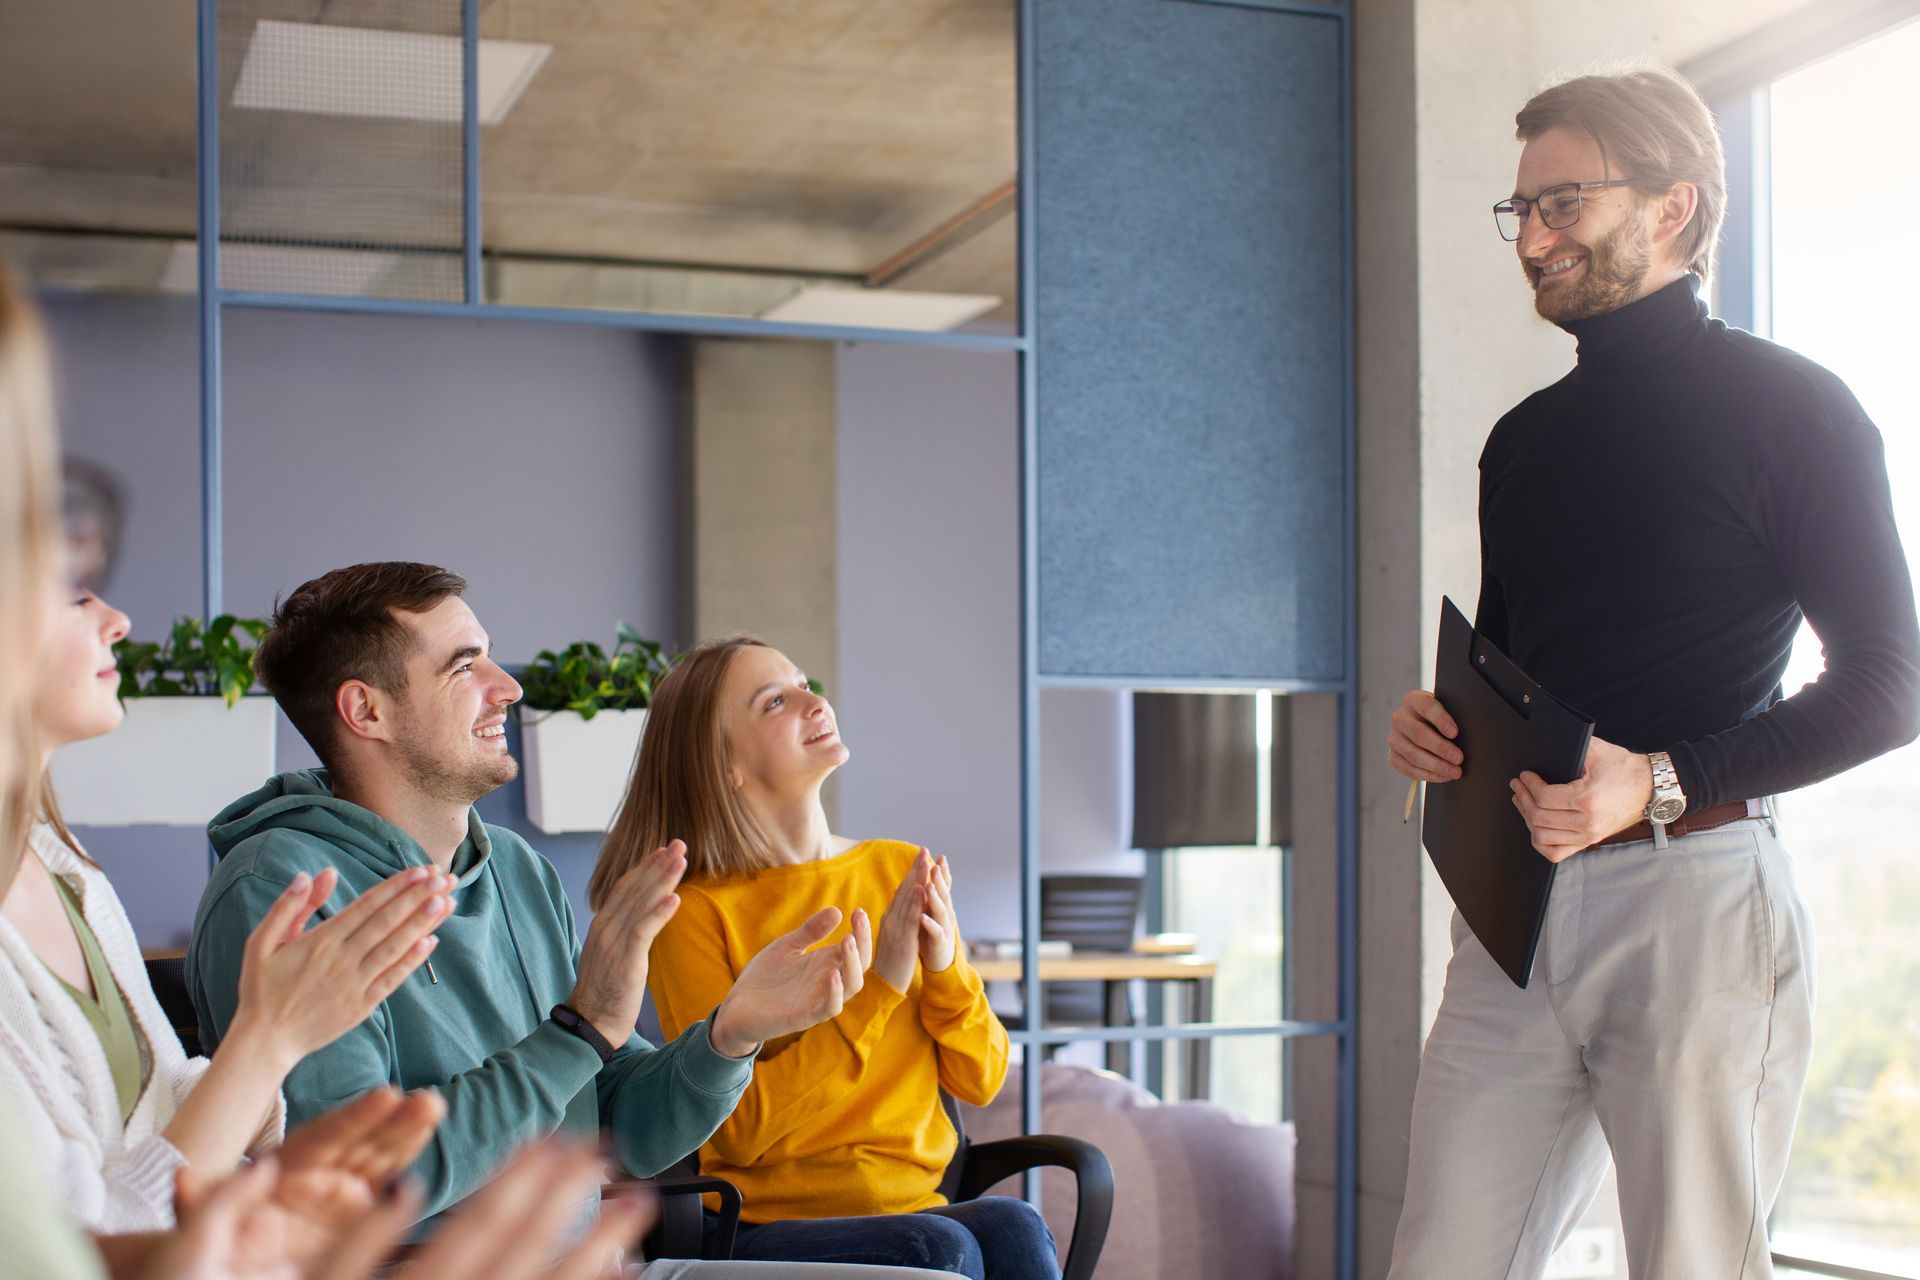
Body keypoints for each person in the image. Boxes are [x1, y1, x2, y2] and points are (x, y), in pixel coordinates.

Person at [1384, 67, 1920, 1277]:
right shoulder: (1521, 443)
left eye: (1562, 202)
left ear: (1672, 206)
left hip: (1698, 906)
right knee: (1440, 1259)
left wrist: (1657, 781)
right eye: (1520, 210)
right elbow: (1525, 673)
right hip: (1512, 912)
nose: (1533, 238)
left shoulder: (1797, 412)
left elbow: (1893, 681)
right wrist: (1443, 725)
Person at [185, 561, 953, 1280]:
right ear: (367, 710)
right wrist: (580, 1029)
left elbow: (624, 1124)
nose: (506, 687)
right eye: (464, 666)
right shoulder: (284, 888)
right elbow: (366, 1187)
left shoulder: (514, 869)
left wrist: (732, 1034)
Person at [597, 636, 1058, 1280]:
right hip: (766, 1227)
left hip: (920, 1206)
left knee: (1015, 1224)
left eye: (805, 681)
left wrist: (946, 967)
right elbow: (741, 1134)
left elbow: (981, 1078)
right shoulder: (696, 912)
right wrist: (882, 986)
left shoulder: (899, 868)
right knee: (940, 1251)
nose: (816, 701)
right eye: (776, 701)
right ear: (724, 762)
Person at [1, 581, 454, 1232]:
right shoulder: (267, 876)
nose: (119, 620)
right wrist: (267, 1040)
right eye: (72, 594)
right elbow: (83, 1250)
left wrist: (291, 1164)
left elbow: (163, 1109)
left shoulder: (65, 869)